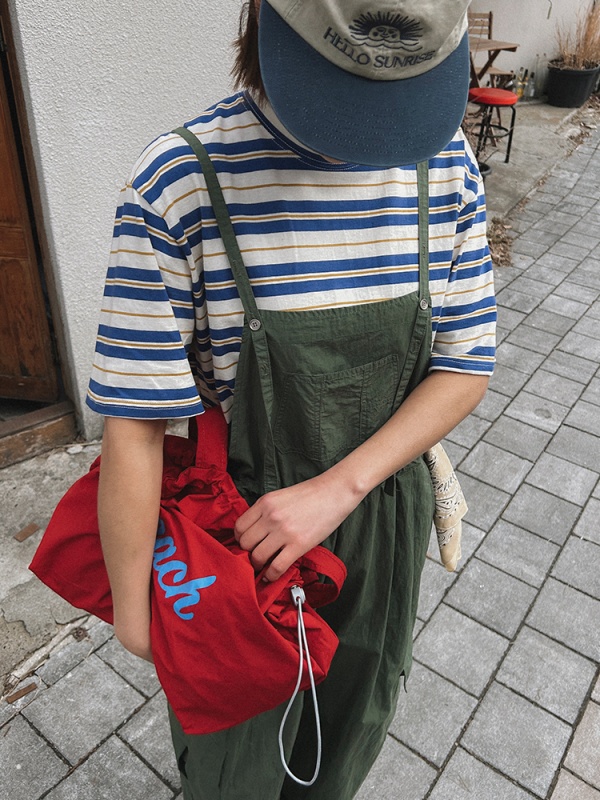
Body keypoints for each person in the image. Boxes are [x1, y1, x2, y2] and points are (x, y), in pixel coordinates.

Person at [88, 1, 496, 797]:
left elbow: (464, 364)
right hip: (233, 547)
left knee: (346, 739)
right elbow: (136, 423)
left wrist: (338, 488)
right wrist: (139, 617)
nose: (368, 137)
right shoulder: (181, 182)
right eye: (344, 91)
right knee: (231, 769)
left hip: (380, 523)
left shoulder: (445, 163)